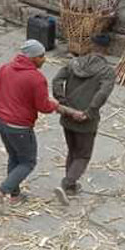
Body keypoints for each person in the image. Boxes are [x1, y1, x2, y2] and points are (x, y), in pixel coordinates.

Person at [0, 39, 84, 210]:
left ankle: (15, 195)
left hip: (1, 122)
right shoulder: (36, 78)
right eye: (41, 56)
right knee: (28, 162)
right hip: (20, 128)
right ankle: (1, 192)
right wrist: (58, 106)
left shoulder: (5, 68)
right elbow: (43, 107)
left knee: (15, 157)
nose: (44, 59)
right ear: (32, 58)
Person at [51, 34, 115, 205]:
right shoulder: (107, 71)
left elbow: (57, 80)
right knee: (83, 155)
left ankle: (70, 187)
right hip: (86, 121)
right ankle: (67, 184)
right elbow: (102, 93)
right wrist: (90, 111)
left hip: (67, 116)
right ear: (108, 49)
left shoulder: (74, 63)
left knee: (72, 151)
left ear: (91, 46)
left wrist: (63, 103)